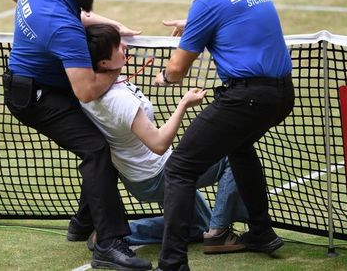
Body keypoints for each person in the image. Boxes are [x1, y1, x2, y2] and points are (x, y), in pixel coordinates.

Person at [2, 0, 152, 270]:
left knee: (100, 143)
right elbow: (85, 91)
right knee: (97, 148)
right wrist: (116, 68)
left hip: (45, 83)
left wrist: (111, 25)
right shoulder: (62, 27)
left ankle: (83, 224)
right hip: (35, 97)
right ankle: (108, 244)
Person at [153, 0, 295, 270]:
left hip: (246, 98)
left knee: (179, 169)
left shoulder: (207, 0)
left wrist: (164, 77)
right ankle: (260, 232)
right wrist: (192, 26)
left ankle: (172, 263)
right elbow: (234, 19)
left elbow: (177, 70)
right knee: (241, 149)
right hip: (281, 95)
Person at [79, 24, 248, 254]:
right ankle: (219, 233)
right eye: (117, 46)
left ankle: (113, 232)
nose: (125, 46)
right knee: (235, 156)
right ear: (104, 63)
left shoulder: (86, 87)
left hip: (140, 176)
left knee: (198, 225)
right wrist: (184, 104)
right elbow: (158, 144)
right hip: (157, 175)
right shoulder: (118, 100)